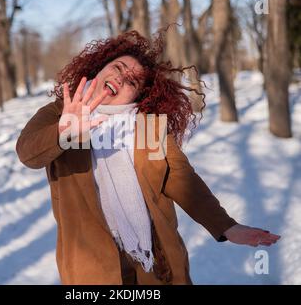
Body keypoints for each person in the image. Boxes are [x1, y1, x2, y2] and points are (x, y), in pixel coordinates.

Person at [16, 30, 280, 285]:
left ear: (138, 96)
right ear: (99, 67)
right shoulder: (59, 112)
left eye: (132, 81)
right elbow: (28, 152)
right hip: (92, 265)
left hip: (156, 262)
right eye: (118, 68)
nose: (121, 78)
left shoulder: (144, 127)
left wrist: (226, 227)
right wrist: (65, 131)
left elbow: (180, 178)